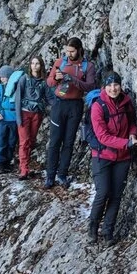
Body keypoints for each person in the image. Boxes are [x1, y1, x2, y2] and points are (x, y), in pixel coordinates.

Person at [88, 72, 137, 245]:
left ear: (120, 85)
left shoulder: (126, 102)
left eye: (116, 84)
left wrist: (132, 134)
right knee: (103, 192)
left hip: (122, 157)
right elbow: (102, 136)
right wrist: (126, 143)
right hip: (102, 155)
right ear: (104, 87)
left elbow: (132, 123)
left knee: (116, 195)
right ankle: (93, 227)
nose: (113, 88)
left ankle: (108, 231)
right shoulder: (98, 106)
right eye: (109, 85)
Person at [44, 37, 96, 188]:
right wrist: (56, 77)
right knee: (55, 141)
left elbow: (90, 86)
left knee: (68, 141)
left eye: (72, 51)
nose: (69, 54)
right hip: (59, 104)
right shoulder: (60, 62)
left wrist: (72, 79)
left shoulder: (88, 66)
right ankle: (50, 176)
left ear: (79, 50)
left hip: (75, 105)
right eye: (67, 51)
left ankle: (62, 175)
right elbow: (49, 82)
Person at [14, 56, 48, 180]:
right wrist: (18, 117)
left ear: (41, 65)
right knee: (24, 141)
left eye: (37, 63)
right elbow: (18, 98)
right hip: (24, 113)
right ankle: (24, 169)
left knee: (31, 141)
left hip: (37, 114)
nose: (34, 66)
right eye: (32, 63)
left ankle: (26, 165)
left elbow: (48, 97)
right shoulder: (24, 79)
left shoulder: (44, 81)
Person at [0, 65, 19, 172]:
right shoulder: (0, 88)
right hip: (3, 119)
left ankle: (7, 162)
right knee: (0, 141)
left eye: (4, 76)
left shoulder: (17, 87)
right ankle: (0, 164)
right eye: (1, 77)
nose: (2, 79)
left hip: (14, 119)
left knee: (11, 142)